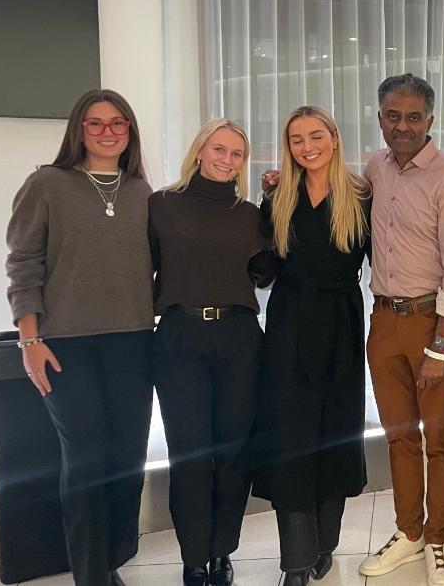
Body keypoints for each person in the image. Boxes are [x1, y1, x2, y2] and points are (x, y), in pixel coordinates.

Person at [6, 88, 154, 586]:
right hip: (65, 346)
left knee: (128, 460)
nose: (107, 131)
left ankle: (110, 561)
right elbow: (23, 264)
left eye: (117, 123)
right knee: (87, 462)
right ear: (79, 130)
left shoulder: (142, 192)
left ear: (129, 131)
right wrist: (29, 341)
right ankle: (91, 575)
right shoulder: (46, 184)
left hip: (134, 342)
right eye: (96, 123)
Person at [359, 73, 444, 586]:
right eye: (392, 116)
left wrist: (440, 347)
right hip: (383, 320)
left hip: (433, 323)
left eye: (412, 117)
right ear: (380, 118)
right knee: (399, 435)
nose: (402, 126)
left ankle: (438, 539)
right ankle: (408, 532)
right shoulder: (375, 168)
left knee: (439, 438)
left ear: (430, 120)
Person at [252, 106, 372, 586]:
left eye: (316, 135)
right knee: (292, 436)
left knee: (335, 432)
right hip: (290, 323)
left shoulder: (362, 195)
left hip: (342, 322)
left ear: (335, 138)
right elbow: (262, 266)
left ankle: (325, 543)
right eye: (297, 139)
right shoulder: (278, 195)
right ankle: (296, 559)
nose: (307, 147)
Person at [148, 118, 269, 586]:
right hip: (180, 337)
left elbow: (265, 274)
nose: (227, 159)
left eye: (237, 153)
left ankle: (222, 551)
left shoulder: (250, 214)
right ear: (200, 150)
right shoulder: (162, 205)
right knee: (190, 451)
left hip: (239, 336)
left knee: (234, 450)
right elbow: (142, 271)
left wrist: (277, 206)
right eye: (219, 149)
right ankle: (194, 555)